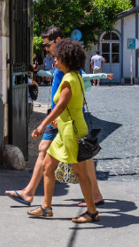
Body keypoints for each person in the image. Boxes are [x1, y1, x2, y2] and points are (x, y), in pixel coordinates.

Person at [5, 27, 109, 209]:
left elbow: (70, 94)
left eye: (47, 45)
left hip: (63, 118)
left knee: (76, 159)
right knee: (62, 153)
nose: (46, 49)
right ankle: (91, 196)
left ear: (57, 40)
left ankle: (35, 197)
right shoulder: (61, 63)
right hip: (61, 118)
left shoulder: (65, 65)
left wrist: (49, 119)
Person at [29, 39, 99, 222]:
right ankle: (46, 207)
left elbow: (59, 107)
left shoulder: (68, 80)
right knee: (47, 166)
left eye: (57, 58)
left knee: (80, 173)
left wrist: (41, 125)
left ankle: (92, 212)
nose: (55, 61)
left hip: (72, 132)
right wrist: (60, 121)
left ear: (66, 59)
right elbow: (79, 103)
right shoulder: (76, 77)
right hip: (66, 130)